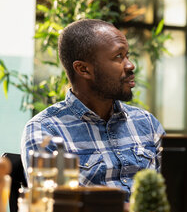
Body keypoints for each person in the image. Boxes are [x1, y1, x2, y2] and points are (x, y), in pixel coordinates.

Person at [21, 19, 165, 201]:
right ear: (83, 69)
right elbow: (56, 207)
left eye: (127, 55)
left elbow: (174, 194)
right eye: (118, 57)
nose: (130, 65)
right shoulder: (45, 131)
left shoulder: (147, 123)